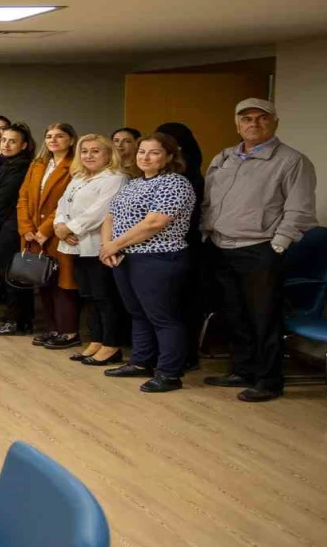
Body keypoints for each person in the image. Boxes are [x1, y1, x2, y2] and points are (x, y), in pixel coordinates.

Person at [201, 98, 317, 402]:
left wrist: (279, 244)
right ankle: (243, 370)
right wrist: (206, 230)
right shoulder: (224, 157)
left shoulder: (292, 161)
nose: (253, 124)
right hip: (221, 246)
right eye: (246, 118)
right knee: (234, 314)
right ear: (237, 124)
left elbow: (300, 209)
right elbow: (209, 200)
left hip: (260, 249)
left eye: (262, 118)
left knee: (263, 318)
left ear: (275, 122)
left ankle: (269, 380)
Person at [99, 133, 197, 393]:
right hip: (125, 257)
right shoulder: (133, 183)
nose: (145, 157)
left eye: (154, 152)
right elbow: (110, 216)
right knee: (138, 313)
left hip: (158, 257)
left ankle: (169, 373)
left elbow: (155, 222)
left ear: (169, 156)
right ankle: (141, 362)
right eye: (142, 151)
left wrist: (115, 245)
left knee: (163, 317)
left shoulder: (175, 183)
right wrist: (107, 246)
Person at [53, 135, 129, 364]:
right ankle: (96, 340)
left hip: (99, 246)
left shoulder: (116, 178)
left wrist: (70, 228)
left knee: (105, 298)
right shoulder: (79, 177)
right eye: (84, 151)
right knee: (89, 297)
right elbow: (62, 204)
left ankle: (111, 345)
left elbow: (100, 211)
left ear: (108, 154)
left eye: (96, 151)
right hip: (77, 245)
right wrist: (59, 226)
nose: (89, 155)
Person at [15, 123, 80, 348]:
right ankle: (52, 329)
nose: (53, 140)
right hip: (32, 233)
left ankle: (68, 332)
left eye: (59, 136)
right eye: (49, 136)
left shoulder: (75, 165)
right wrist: (26, 228)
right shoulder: (39, 163)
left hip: (57, 232)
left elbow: (67, 202)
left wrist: (44, 230)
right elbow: (23, 197)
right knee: (43, 281)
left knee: (63, 284)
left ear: (71, 140)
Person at [155, 122, 206, 370]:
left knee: (181, 304)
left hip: (185, 246)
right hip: (157, 247)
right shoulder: (155, 176)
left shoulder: (186, 179)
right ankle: (165, 355)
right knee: (163, 305)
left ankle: (183, 357)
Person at [0, 123, 36, 336]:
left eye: (12, 141)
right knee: (12, 274)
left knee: (13, 275)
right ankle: (19, 320)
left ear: (23, 145)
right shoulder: (7, 164)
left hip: (11, 226)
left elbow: (3, 199)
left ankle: (15, 321)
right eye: (4, 140)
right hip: (6, 225)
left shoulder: (22, 166)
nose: (6, 144)